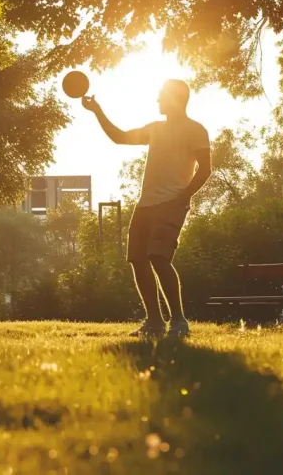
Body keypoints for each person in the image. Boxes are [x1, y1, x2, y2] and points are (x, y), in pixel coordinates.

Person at [82, 79, 211, 338]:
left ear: (175, 98)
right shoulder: (155, 129)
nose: (157, 100)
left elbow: (205, 169)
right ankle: (154, 322)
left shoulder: (195, 129)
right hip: (145, 205)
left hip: (171, 203)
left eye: (161, 95)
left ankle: (179, 321)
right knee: (138, 260)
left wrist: (184, 197)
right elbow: (119, 137)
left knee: (159, 257)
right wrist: (97, 111)